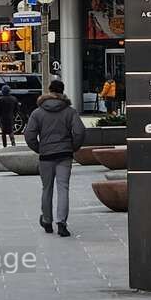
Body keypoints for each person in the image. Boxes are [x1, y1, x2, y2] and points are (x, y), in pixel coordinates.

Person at [24, 80, 86, 238]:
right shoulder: (70, 111)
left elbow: (29, 135)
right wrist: (73, 147)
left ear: (49, 91)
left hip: (46, 156)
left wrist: (39, 148)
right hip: (64, 154)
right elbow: (79, 132)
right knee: (63, 188)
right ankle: (61, 223)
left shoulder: (37, 112)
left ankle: (46, 220)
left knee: (47, 189)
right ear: (63, 92)